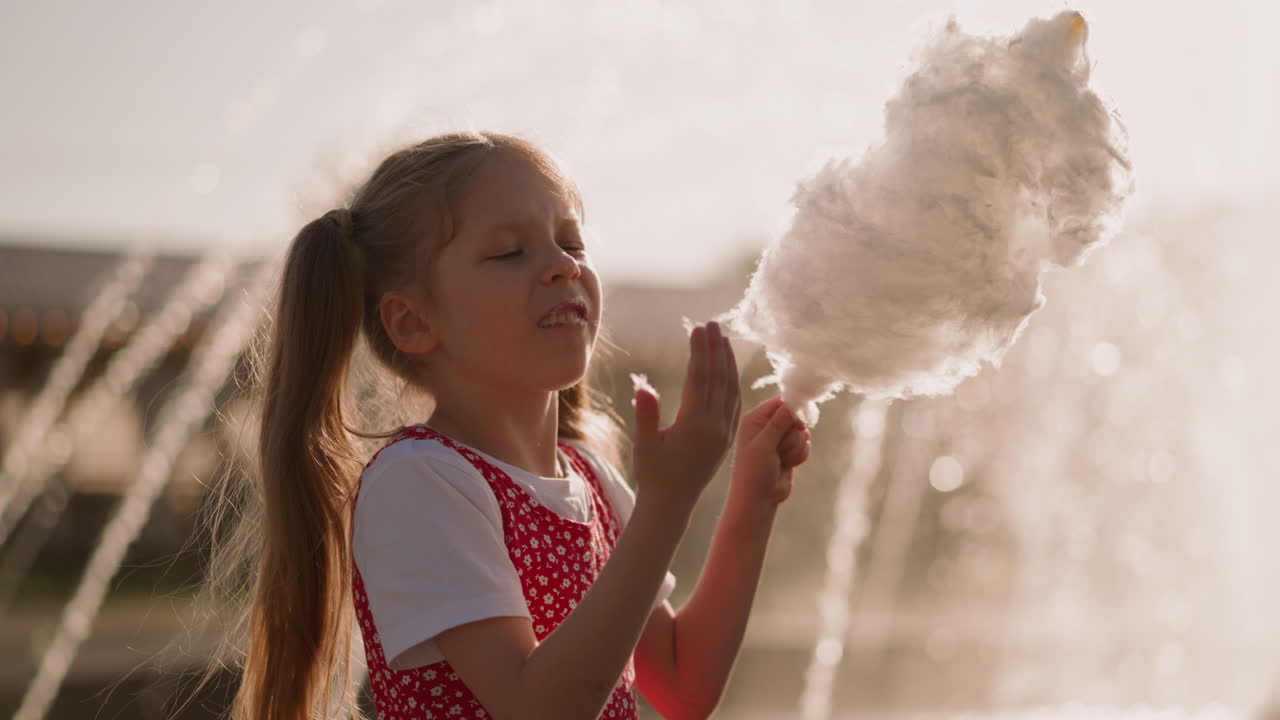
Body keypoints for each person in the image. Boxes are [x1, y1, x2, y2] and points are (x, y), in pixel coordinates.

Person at [228, 131, 811, 720]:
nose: (563, 266)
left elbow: (684, 687)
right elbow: (537, 708)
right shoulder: (420, 482)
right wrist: (667, 504)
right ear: (412, 321)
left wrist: (752, 502)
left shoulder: (594, 479)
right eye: (509, 252)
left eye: (572, 243)